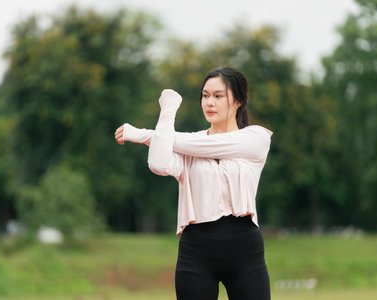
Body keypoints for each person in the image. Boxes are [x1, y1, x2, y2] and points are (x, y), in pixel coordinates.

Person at [114, 67, 272, 300]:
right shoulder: (190, 145)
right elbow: (158, 163)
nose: (209, 102)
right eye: (205, 95)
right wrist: (168, 109)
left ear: (238, 101)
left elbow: (201, 145)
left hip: (245, 250)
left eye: (218, 96)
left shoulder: (256, 138)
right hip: (197, 250)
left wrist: (141, 134)